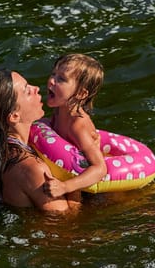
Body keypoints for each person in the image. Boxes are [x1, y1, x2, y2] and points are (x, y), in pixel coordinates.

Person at [0, 69, 83, 213]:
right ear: (14, 116)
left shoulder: (0, 154)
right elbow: (66, 222)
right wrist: (76, 180)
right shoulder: (32, 168)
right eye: (27, 91)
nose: (36, 88)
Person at [41, 53, 107, 198]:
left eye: (61, 79)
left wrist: (65, 186)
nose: (51, 81)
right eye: (53, 74)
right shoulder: (59, 109)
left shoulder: (77, 125)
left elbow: (100, 168)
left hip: (85, 182)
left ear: (81, 93)